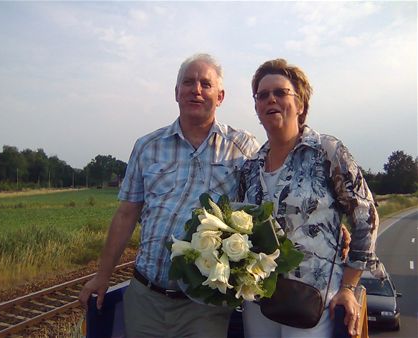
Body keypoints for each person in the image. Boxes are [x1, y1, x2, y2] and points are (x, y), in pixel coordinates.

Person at [78, 53, 260, 338]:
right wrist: (103, 276)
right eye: (188, 83)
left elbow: (270, 200)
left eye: (205, 84)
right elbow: (126, 214)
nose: (196, 90)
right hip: (146, 297)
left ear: (220, 96)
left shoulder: (243, 147)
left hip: (206, 303)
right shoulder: (147, 146)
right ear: (176, 92)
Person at [237, 58, 381, 338]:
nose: (271, 99)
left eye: (280, 92)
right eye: (262, 95)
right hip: (257, 300)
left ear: (300, 104)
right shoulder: (250, 166)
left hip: (312, 301)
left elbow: (367, 218)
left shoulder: (327, 152)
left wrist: (349, 288)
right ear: (257, 108)